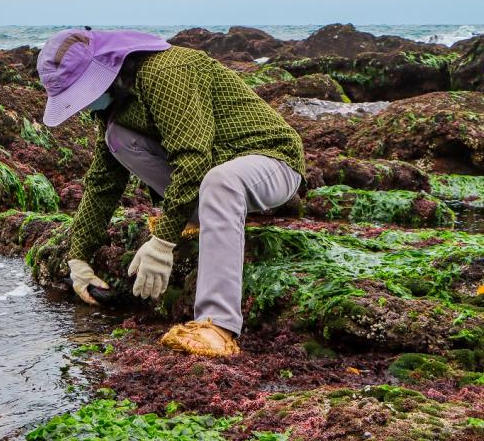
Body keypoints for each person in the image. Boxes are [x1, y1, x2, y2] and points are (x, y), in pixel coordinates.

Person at [37, 28, 305, 357]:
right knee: (117, 137)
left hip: (270, 162)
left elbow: (192, 160)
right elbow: (103, 181)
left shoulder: (167, 71)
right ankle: (198, 215)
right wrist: (77, 258)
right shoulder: (116, 100)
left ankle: (218, 325)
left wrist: (163, 242)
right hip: (212, 178)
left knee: (220, 181)